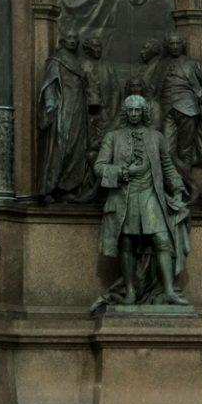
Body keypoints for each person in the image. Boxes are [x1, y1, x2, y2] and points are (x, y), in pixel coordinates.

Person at [96, 95, 189, 306]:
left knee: (162, 239)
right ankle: (130, 291)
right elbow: (99, 166)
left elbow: (167, 166)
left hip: (150, 195)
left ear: (144, 112)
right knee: (126, 242)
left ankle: (168, 291)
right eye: (130, 111)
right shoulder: (113, 137)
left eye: (138, 110)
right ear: (125, 112)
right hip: (124, 195)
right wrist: (121, 172)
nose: (134, 114)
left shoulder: (156, 137)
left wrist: (177, 187)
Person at [159, 34, 202, 196]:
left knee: (185, 151)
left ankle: (181, 190)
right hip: (167, 109)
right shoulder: (162, 65)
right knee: (167, 151)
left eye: (177, 43)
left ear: (182, 45)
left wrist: (200, 93)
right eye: (171, 43)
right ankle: (192, 186)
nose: (174, 46)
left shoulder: (192, 63)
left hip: (188, 107)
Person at [37, 30, 90, 201]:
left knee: (76, 147)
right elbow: (50, 84)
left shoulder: (77, 62)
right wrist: (51, 106)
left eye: (75, 38)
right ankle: (49, 188)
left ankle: (68, 187)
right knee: (61, 147)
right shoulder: (56, 60)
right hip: (63, 109)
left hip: (78, 109)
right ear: (62, 40)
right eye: (69, 38)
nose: (73, 41)